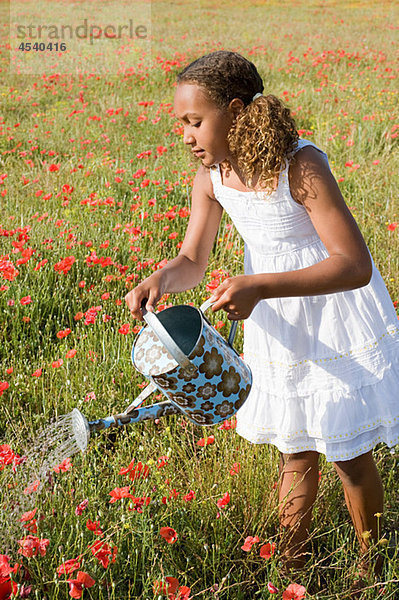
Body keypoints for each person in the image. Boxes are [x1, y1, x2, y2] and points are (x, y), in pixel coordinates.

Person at [125, 51, 399, 579]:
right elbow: (193, 259)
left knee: (348, 452)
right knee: (294, 448)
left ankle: (374, 565)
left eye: (195, 121)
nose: (185, 135)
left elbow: (354, 265)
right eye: (181, 123)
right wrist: (161, 277)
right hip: (277, 324)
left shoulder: (300, 165)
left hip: (331, 314)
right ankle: (292, 562)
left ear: (234, 111)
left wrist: (260, 286)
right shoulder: (212, 179)